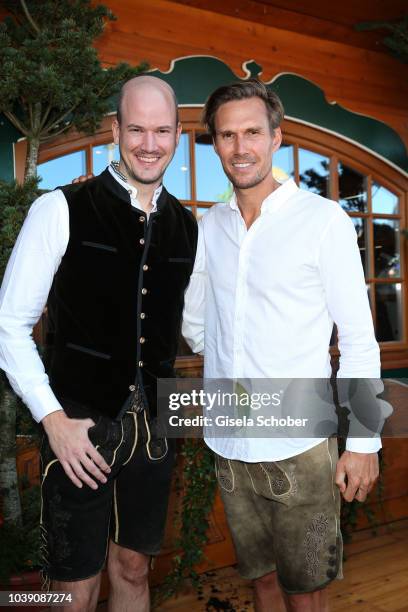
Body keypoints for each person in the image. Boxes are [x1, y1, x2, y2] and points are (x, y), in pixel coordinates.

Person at [0, 75, 197, 612]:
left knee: (133, 568)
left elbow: (202, 329)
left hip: (155, 428)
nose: (149, 144)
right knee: (74, 587)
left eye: (161, 130)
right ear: (116, 129)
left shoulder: (187, 226)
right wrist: (51, 419)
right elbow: (7, 325)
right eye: (136, 129)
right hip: (78, 428)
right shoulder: (60, 208)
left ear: (178, 134)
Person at [182, 79, 380, 612]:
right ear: (215, 143)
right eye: (227, 135)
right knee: (261, 580)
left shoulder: (323, 222)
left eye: (252, 132)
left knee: (305, 588)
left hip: (301, 445)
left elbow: (359, 339)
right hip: (230, 440)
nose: (239, 147)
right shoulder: (209, 226)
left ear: (276, 138)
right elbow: (196, 319)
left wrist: (363, 443)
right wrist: (226, 350)